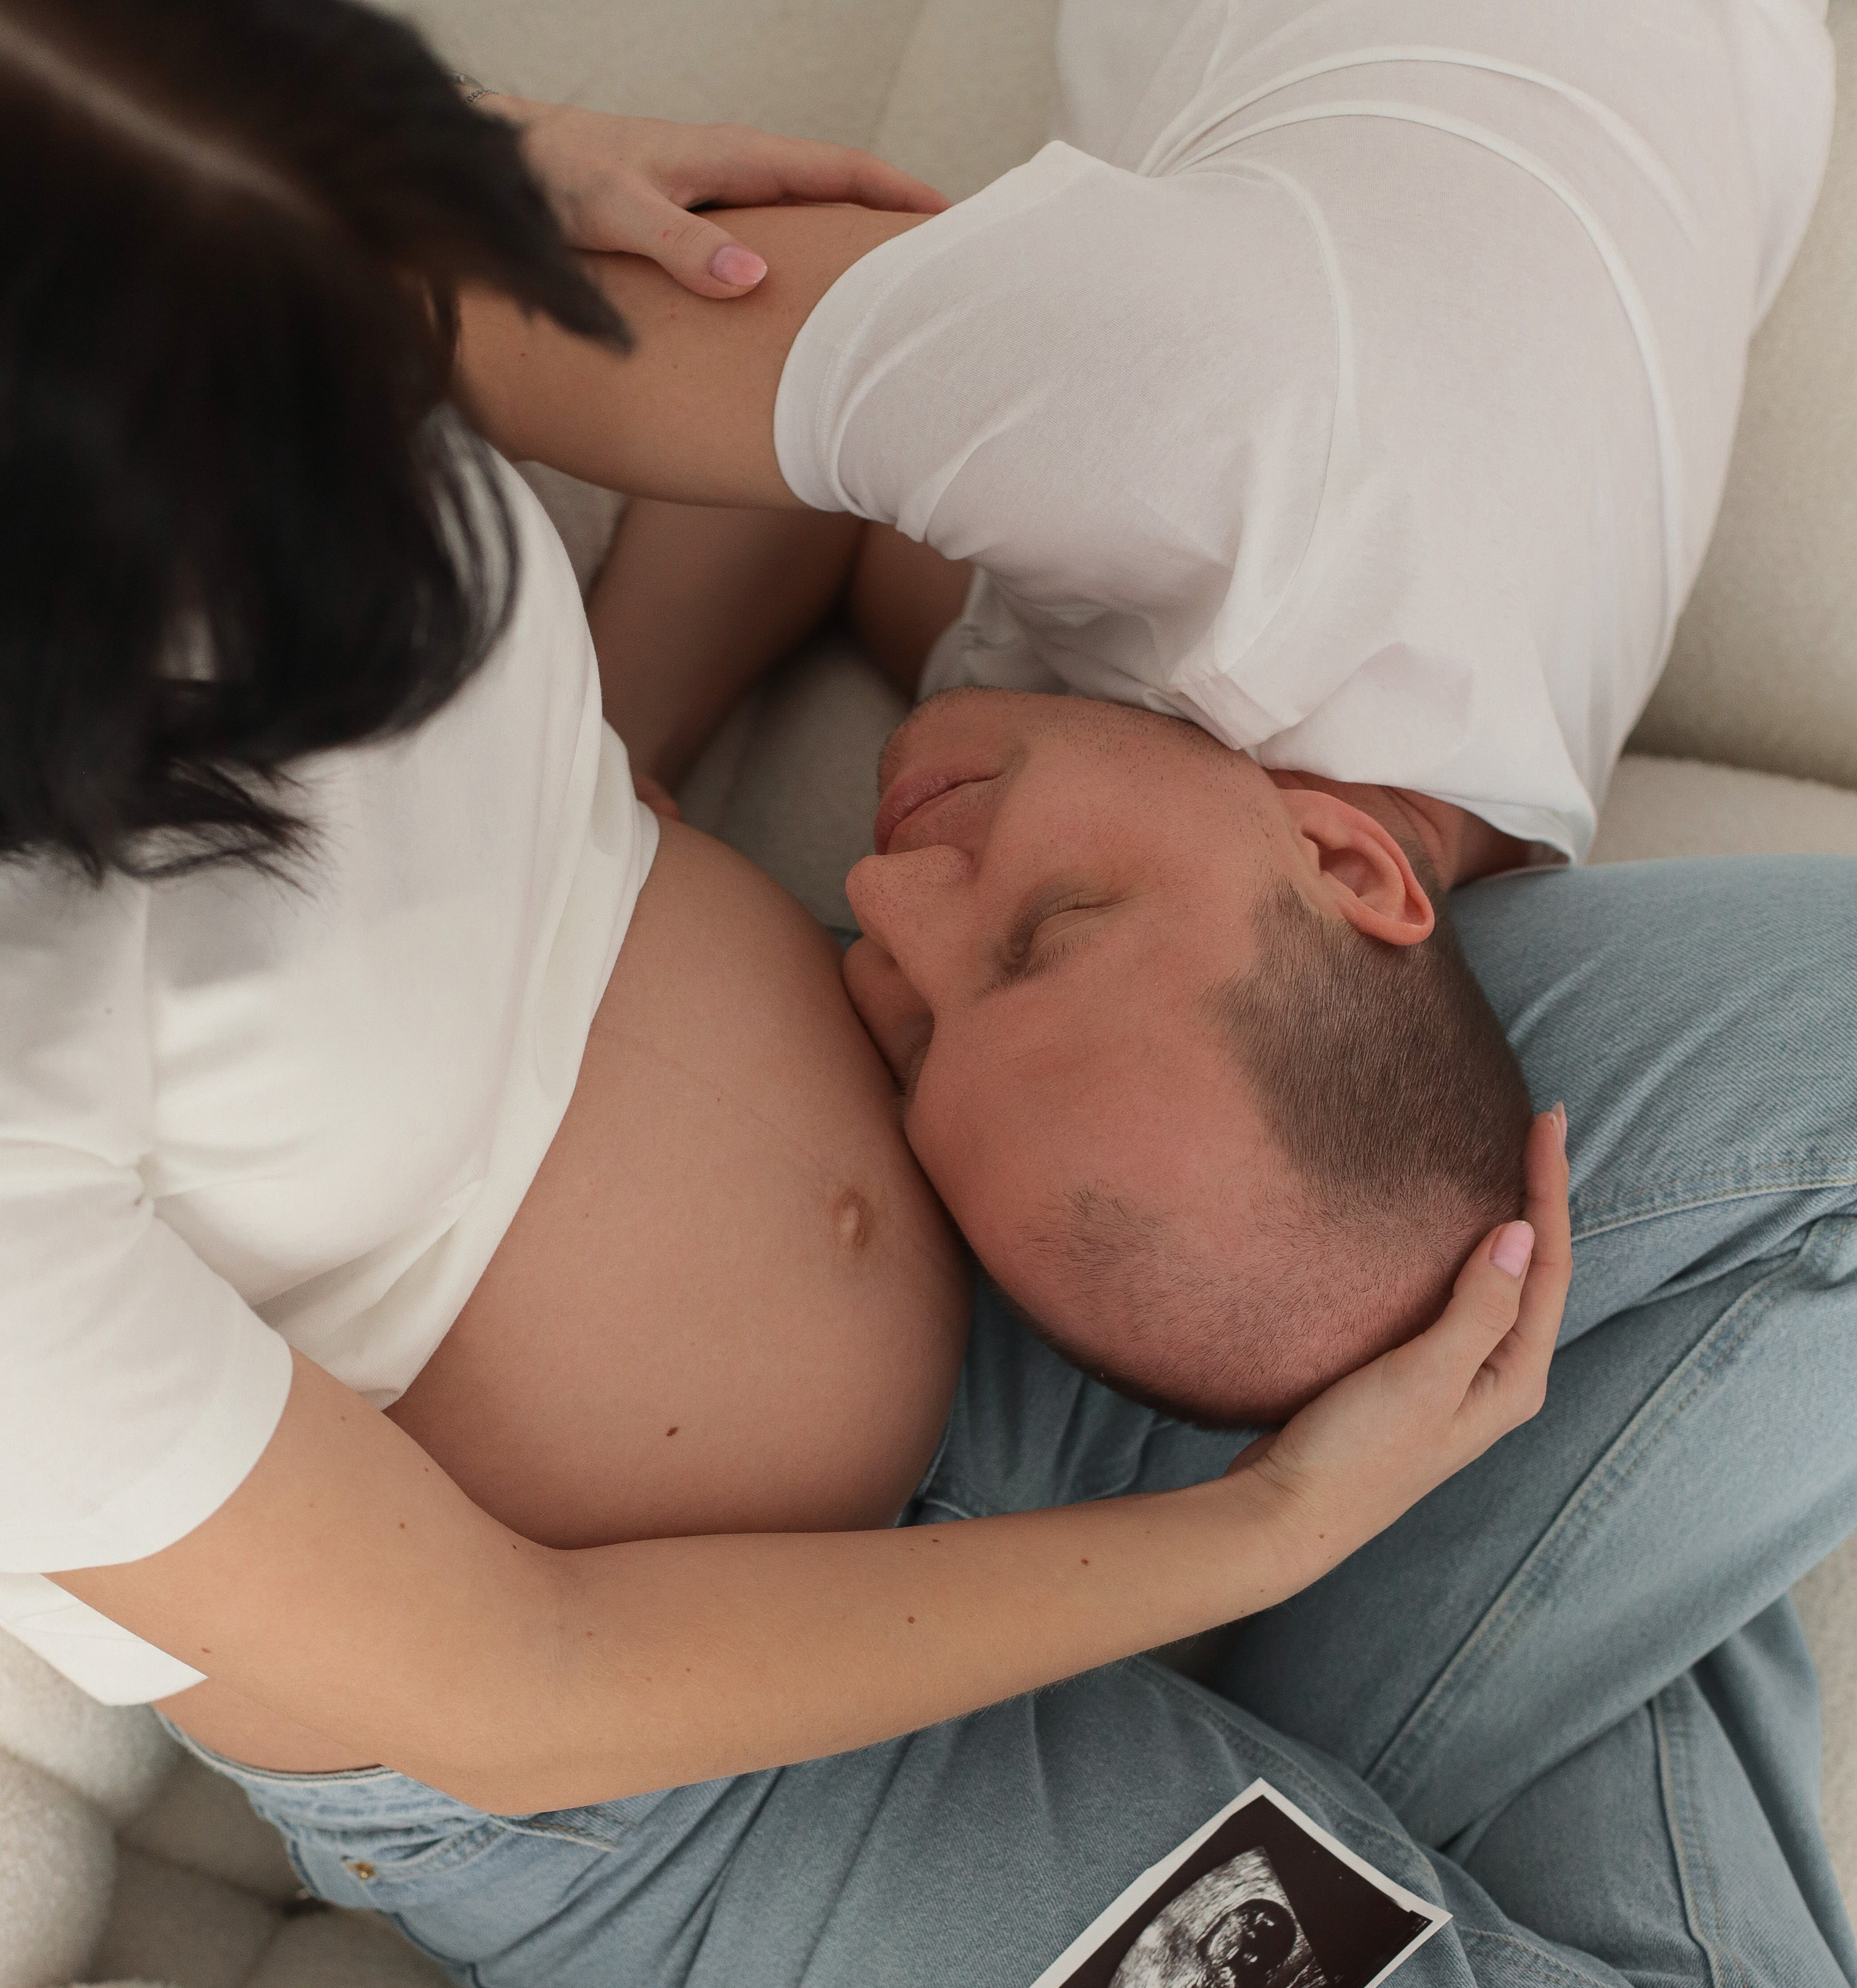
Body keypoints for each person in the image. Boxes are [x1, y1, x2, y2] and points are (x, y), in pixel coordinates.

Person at [8, 0, 1856, 1988]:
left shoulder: (156, 186)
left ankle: (1358, 1631)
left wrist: (456, 209)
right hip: (720, 1782)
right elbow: (509, 1679)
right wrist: (1270, 1531)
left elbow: (790, 412)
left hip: (1091, 1210)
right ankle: (1357, 1633)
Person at [464, 0, 1836, 1423]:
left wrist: (614, 748)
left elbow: (850, 497)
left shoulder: (1418, 806)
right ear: (1346, 869)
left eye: (917, 1041)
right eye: (1049, 927)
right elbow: (361, 259)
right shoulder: (1225, 460)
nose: (883, 895)